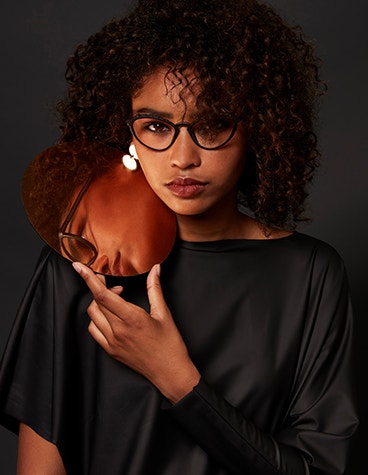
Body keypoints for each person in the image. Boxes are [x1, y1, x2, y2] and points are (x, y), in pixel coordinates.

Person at [0, 0, 358, 473]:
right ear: (127, 131)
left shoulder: (311, 274)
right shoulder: (81, 262)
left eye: (211, 124)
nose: (182, 157)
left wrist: (177, 379)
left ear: (259, 128)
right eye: (156, 126)